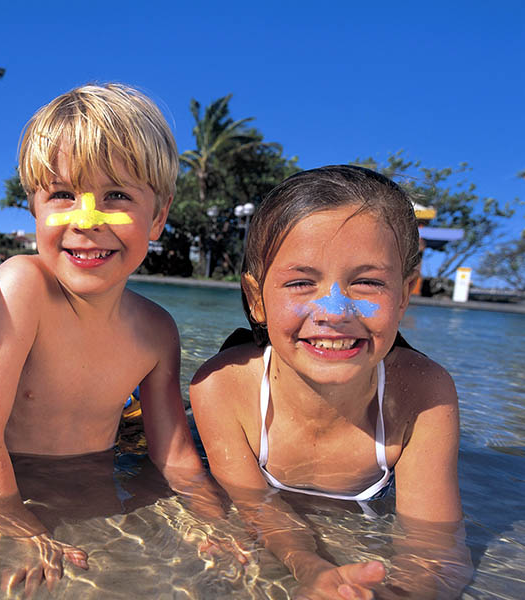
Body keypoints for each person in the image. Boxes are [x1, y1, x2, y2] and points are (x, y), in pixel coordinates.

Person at [0, 83, 207, 593]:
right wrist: (15, 524)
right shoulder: (23, 285)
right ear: (34, 208)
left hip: (93, 478)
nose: (86, 219)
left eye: (117, 196)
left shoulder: (156, 331)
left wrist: (215, 520)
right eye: (63, 195)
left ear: (158, 216)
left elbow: (174, 455)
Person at [190, 165, 471, 599]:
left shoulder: (424, 396)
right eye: (302, 282)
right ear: (255, 299)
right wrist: (312, 570)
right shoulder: (221, 388)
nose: (334, 311)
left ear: (403, 297)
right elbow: (257, 509)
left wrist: (392, 593)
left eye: (367, 283)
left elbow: (437, 548)